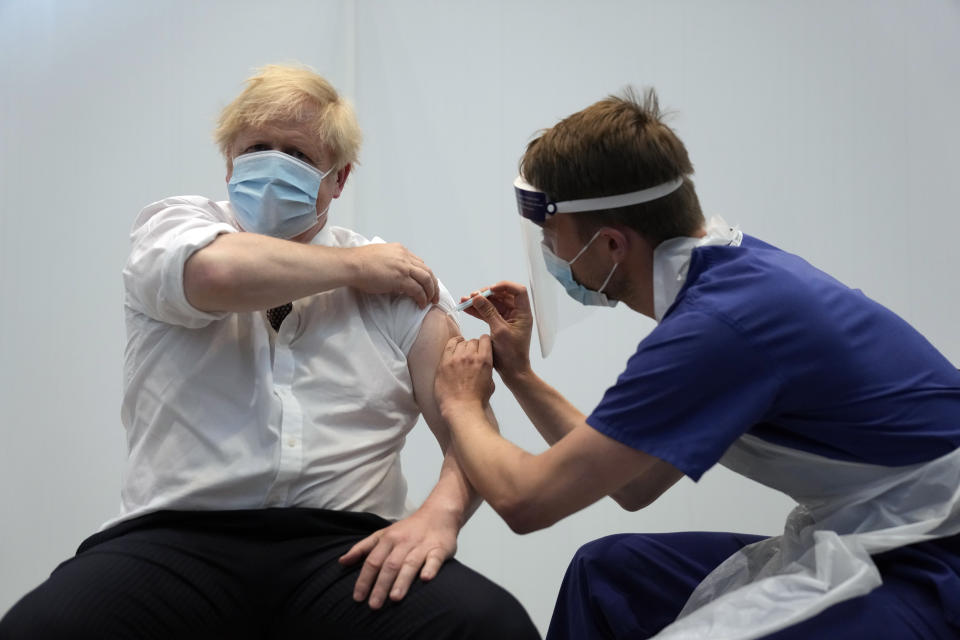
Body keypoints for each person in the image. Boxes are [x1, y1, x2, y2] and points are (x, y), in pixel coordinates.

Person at [0, 64, 539, 640]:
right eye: (257, 148)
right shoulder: (175, 229)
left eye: (299, 155)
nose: (273, 165)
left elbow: (468, 423)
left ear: (339, 179)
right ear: (230, 162)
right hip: (175, 540)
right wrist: (356, 269)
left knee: (489, 625)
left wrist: (441, 515)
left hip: (349, 548)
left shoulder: (397, 283)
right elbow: (215, 275)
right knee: (41, 629)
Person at [432, 87, 960, 639]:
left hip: (931, 556)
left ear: (613, 244)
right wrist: (518, 375)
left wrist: (461, 402)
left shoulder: (721, 328)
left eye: (550, 235)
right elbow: (632, 484)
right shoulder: (730, 276)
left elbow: (526, 500)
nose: (548, 252)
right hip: (885, 529)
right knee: (607, 575)